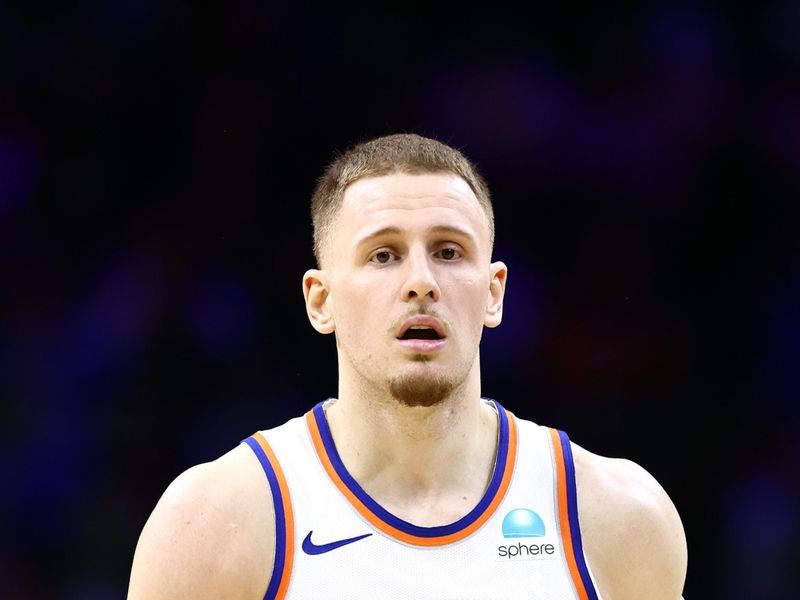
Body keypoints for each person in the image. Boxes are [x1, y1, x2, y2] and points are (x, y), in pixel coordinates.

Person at [127, 133, 688, 599]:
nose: (421, 281)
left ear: (494, 294)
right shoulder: (214, 523)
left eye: (448, 252)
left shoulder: (617, 518)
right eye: (383, 255)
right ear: (320, 300)